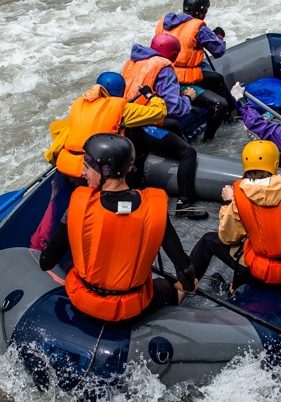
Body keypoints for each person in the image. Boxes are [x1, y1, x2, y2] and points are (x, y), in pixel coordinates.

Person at [39, 133, 195, 322]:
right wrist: (187, 285)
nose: (82, 173)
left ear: (104, 171)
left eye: (87, 168)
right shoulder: (156, 209)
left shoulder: (78, 205)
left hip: (84, 302)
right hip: (130, 309)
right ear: (129, 167)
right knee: (166, 286)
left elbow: (46, 262)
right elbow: (186, 275)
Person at [34, 71, 168, 249]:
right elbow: (159, 113)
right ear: (120, 91)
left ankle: (44, 241)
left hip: (66, 167)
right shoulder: (122, 107)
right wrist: (151, 96)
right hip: (90, 173)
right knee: (125, 181)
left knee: (61, 207)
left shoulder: (79, 103)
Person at [188, 140, 281, 289]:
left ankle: (185, 287)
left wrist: (227, 203)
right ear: (276, 164)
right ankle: (234, 286)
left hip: (263, 276)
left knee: (209, 240)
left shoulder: (240, 195)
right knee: (249, 248)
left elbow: (228, 238)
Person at [122, 33, 200, 210]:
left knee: (172, 125)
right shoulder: (163, 67)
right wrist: (188, 98)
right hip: (142, 125)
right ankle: (185, 204)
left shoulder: (133, 61)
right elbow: (174, 109)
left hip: (125, 120)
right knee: (188, 152)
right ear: (173, 55)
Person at [156, 0, 234, 138]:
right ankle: (209, 139)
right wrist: (219, 36)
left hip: (162, 72)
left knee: (217, 78)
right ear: (201, 11)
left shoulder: (165, 22)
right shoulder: (198, 28)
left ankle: (228, 115)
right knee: (220, 104)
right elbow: (218, 50)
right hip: (180, 80)